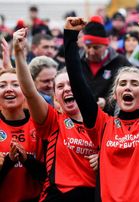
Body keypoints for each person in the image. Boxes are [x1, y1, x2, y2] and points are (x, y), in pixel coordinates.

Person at [64, 16, 139, 201]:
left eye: (134, 83)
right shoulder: (102, 125)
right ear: (115, 94)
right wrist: (71, 38)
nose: (128, 87)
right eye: (123, 83)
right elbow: (78, 83)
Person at [13, 27, 98, 201]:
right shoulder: (52, 121)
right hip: (58, 196)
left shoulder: (102, 121)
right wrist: (19, 54)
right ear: (56, 99)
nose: (67, 88)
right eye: (60, 87)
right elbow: (29, 91)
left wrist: (104, 157)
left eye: (70, 84)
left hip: (94, 196)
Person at [0, 68, 45, 202]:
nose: (9, 89)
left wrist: (26, 160)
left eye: (15, 84)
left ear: (27, 91)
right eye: (2, 85)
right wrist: (9, 161)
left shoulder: (40, 124)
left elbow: (48, 175)